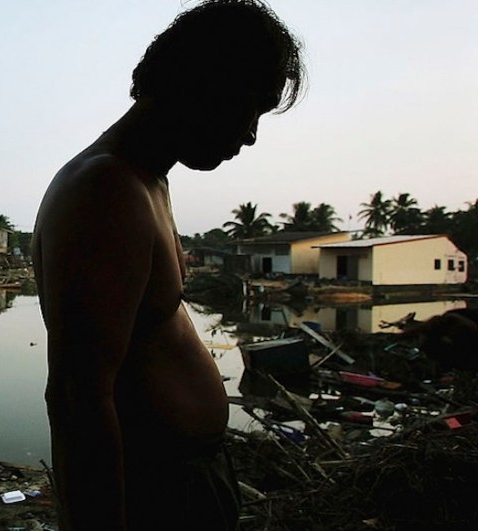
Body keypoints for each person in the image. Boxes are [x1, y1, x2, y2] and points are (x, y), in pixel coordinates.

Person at [32, 1, 305, 529]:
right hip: (155, 487)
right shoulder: (105, 190)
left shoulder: (147, 180)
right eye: (250, 108)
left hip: (179, 476)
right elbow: (76, 397)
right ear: (202, 84)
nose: (249, 135)